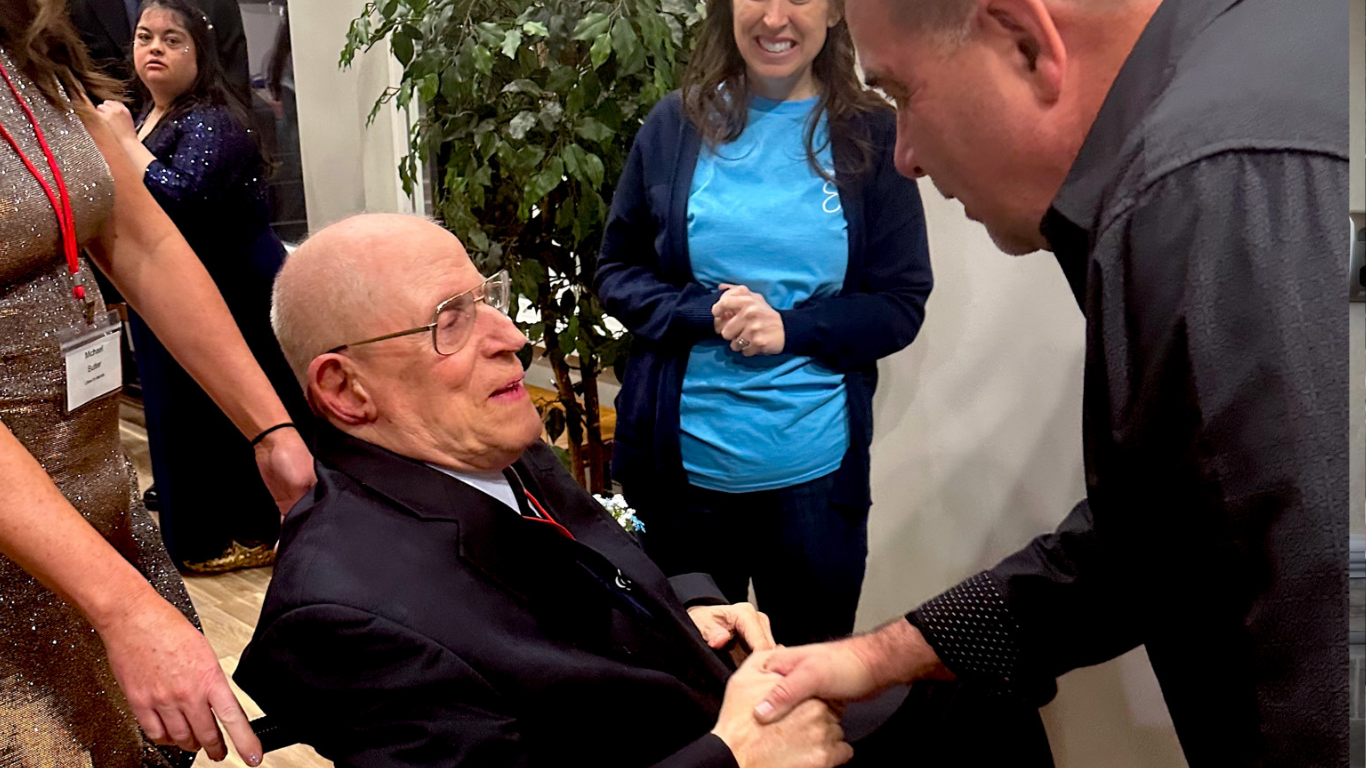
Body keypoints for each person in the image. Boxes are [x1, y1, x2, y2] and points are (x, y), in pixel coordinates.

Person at [751, 0, 1347, 765]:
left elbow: (1313, 650)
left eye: (902, 94)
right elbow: (1160, 537)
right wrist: (879, 656)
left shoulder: (1207, 186)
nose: (906, 156)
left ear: (1026, 43)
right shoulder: (1244, 79)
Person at [234, 213, 1053, 768]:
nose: (511, 337)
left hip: (690, 689)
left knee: (985, 682)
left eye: (486, 298)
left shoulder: (478, 443)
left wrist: (684, 606)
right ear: (345, 390)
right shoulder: (342, 614)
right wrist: (733, 757)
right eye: (451, 318)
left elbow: (578, 575)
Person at [0, 0, 315, 765]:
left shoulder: (28, 53)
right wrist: (123, 608)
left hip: (98, 501)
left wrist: (270, 430)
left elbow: (140, 238)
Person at [593, 0, 933, 647]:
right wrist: (702, 312)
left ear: (834, 12)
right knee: (689, 683)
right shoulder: (675, 125)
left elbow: (899, 300)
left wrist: (792, 328)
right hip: (681, 480)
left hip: (815, 485)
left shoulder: (874, 134)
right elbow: (618, 269)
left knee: (807, 682)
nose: (775, 17)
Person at [92, 0, 310, 572]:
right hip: (182, 286)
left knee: (222, 410)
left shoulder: (215, 118)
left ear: (200, 53)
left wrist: (121, 139)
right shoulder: (150, 114)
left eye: (172, 40)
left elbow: (178, 197)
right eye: (145, 37)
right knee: (184, 411)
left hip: (233, 289)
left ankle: (243, 531)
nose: (155, 49)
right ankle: (202, 530)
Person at [67, 0, 250, 109]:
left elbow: (234, 85)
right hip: (99, 150)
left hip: (206, 146)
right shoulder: (72, 7)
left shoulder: (216, 5)